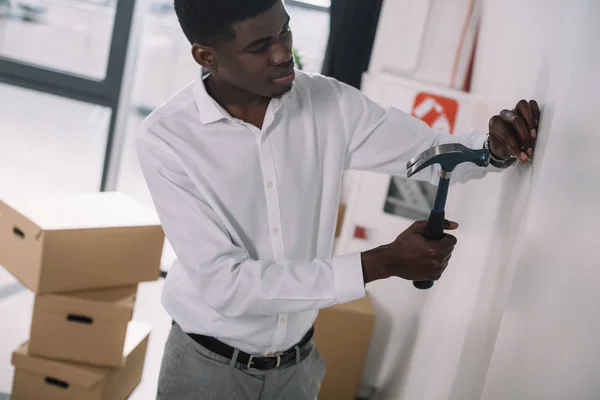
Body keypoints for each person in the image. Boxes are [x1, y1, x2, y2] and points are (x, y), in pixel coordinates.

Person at [135, 1, 541, 399]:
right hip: (206, 375)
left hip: (298, 369)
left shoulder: (328, 103)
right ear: (207, 56)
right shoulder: (167, 140)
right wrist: (380, 263)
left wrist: (493, 147)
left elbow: (432, 152)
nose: (282, 53)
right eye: (260, 47)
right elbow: (227, 284)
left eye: (285, 31)